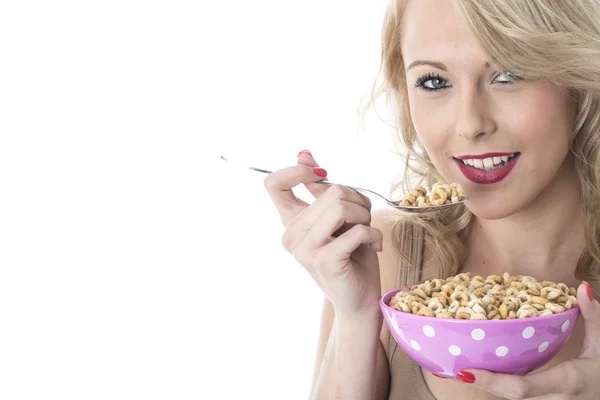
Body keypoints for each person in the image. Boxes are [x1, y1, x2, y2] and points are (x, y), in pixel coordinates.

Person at [263, 0, 600, 398]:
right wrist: (358, 317)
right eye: (435, 82)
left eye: (510, 73)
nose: (470, 124)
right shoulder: (387, 250)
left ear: (580, 80)